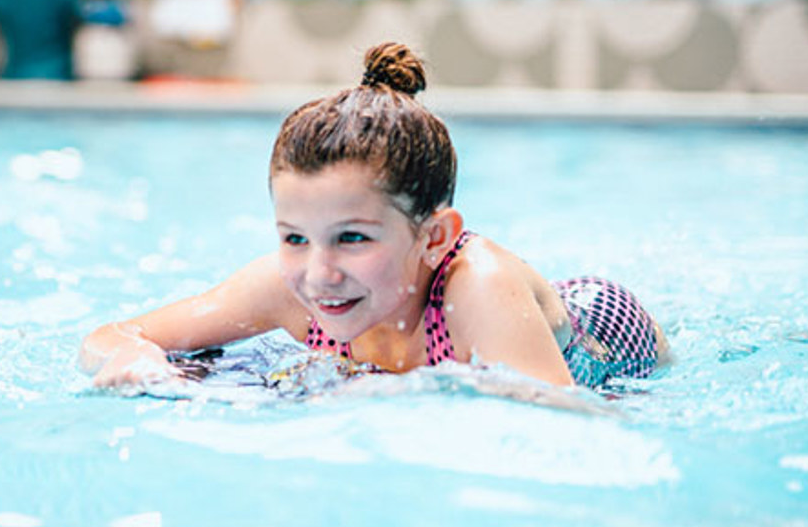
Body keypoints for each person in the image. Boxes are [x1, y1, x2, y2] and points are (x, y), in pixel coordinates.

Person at [78, 42, 669, 389]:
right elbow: (108, 336)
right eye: (294, 237)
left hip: (604, 343)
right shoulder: (290, 288)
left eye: (353, 237)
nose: (319, 272)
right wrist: (136, 356)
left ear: (434, 237)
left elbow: (567, 437)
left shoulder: (479, 289)